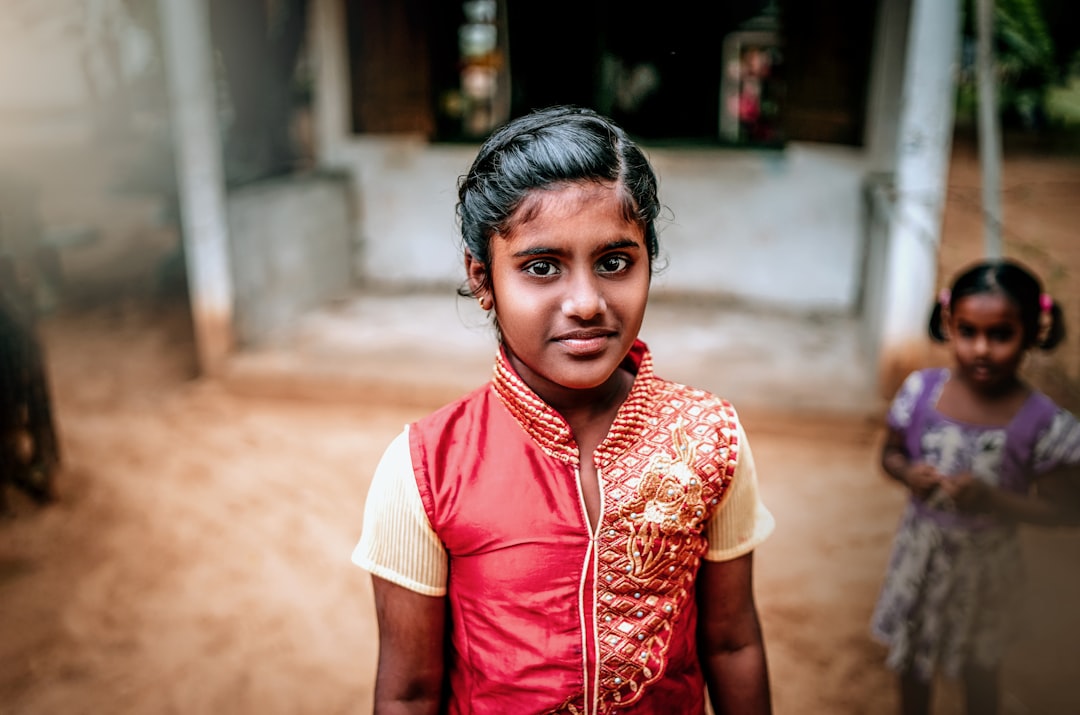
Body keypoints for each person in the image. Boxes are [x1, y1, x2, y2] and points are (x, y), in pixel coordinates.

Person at [352, 106, 775, 715]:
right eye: (541, 267)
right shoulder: (423, 468)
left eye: (614, 262)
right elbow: (409, 691)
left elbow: (732, 644)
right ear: (483, 279)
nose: (585, 303)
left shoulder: (709, 438)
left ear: (648, 261)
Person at [870, 259, 1080, 715]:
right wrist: (908, 474)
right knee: (912, 664)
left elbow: (1066, 512)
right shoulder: (920, 392)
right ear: (948, 324)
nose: (981, 349)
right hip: (919, 558)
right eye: (968, 331)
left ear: (1033, 332)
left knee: (980, 669)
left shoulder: (1043, 423)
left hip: (987, 571)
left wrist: (995, 499)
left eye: (1001, 335)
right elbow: (888, 455)